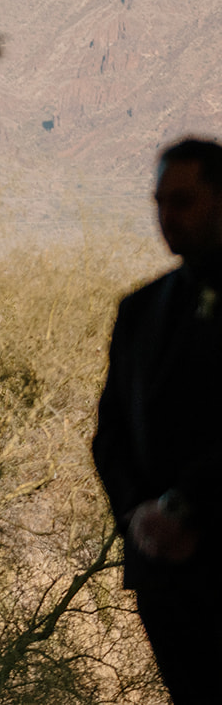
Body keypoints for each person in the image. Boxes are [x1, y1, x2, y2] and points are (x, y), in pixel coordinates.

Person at [93, 136, 222, 704]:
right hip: (161, 576)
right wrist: (138, 518)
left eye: (184, 201)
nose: (167, 218)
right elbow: (110, 433)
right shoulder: (139, 309)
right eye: (160, 203)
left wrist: (187, 506)